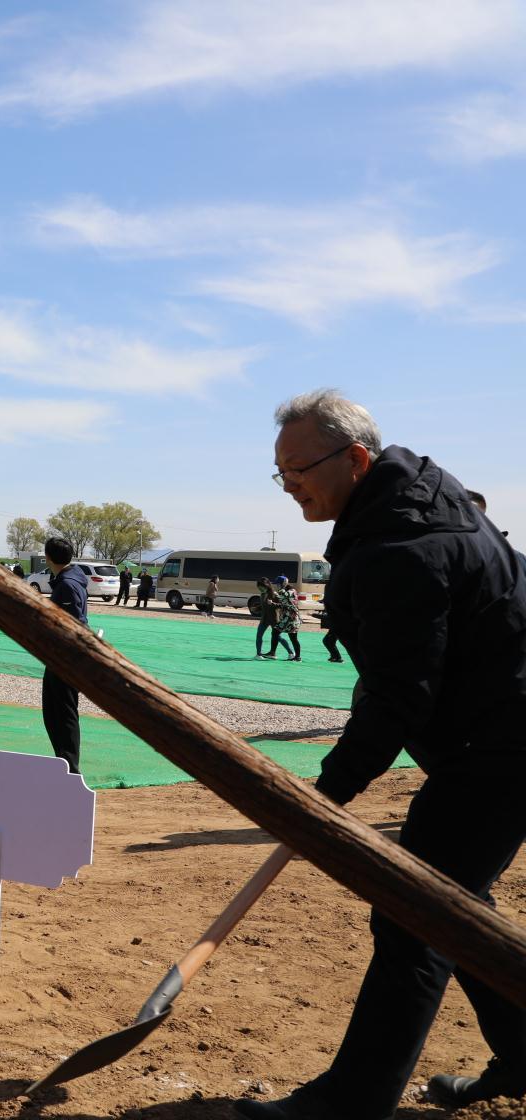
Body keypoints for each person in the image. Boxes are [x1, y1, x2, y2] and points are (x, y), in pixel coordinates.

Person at [234, 391, 526, 1120]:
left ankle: (350, 1103)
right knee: (456, 905)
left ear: (356, 460)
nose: (290, 483)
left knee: (415, 913)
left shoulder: (406, 545)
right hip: (492, 735)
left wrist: (323, 795)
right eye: (280, 472)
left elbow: (399, 695)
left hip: (505, 744)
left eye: (298, 467)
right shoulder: (410, 511)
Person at [42, 536, 88, 775]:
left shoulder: (68, 584)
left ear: (48, 557)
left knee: (63, 713)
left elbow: (73, 625)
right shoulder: (66, 580)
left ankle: (70, 767)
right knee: (53, 712)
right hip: (58, 658)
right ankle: (64, 762)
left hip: (66, 659)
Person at [269, 575, 303, 661]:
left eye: (278, 584)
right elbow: (284, 605)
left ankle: (273, 653)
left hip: (291, 619)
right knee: (290, 636)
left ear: (283, 583)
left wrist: (279, 592)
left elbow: (286, 595)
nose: (277, 586)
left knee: (278, 632)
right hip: (287, 618)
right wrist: (273, 603)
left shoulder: (292, 591)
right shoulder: (284, 592)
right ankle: (296, 656)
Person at [253, 577, 285, 658]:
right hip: (264, 619)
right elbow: (264, 606)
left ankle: (291, 653)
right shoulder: (262, 594)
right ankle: (259, 654)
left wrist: (273, 603)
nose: (260, 590)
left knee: (278, 637)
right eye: (259, 588)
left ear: (267, 586)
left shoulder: (274, 594)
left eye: (261, 588)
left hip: (274, 619)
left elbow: (282, 605)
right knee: (259, 635)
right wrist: (257, 608)